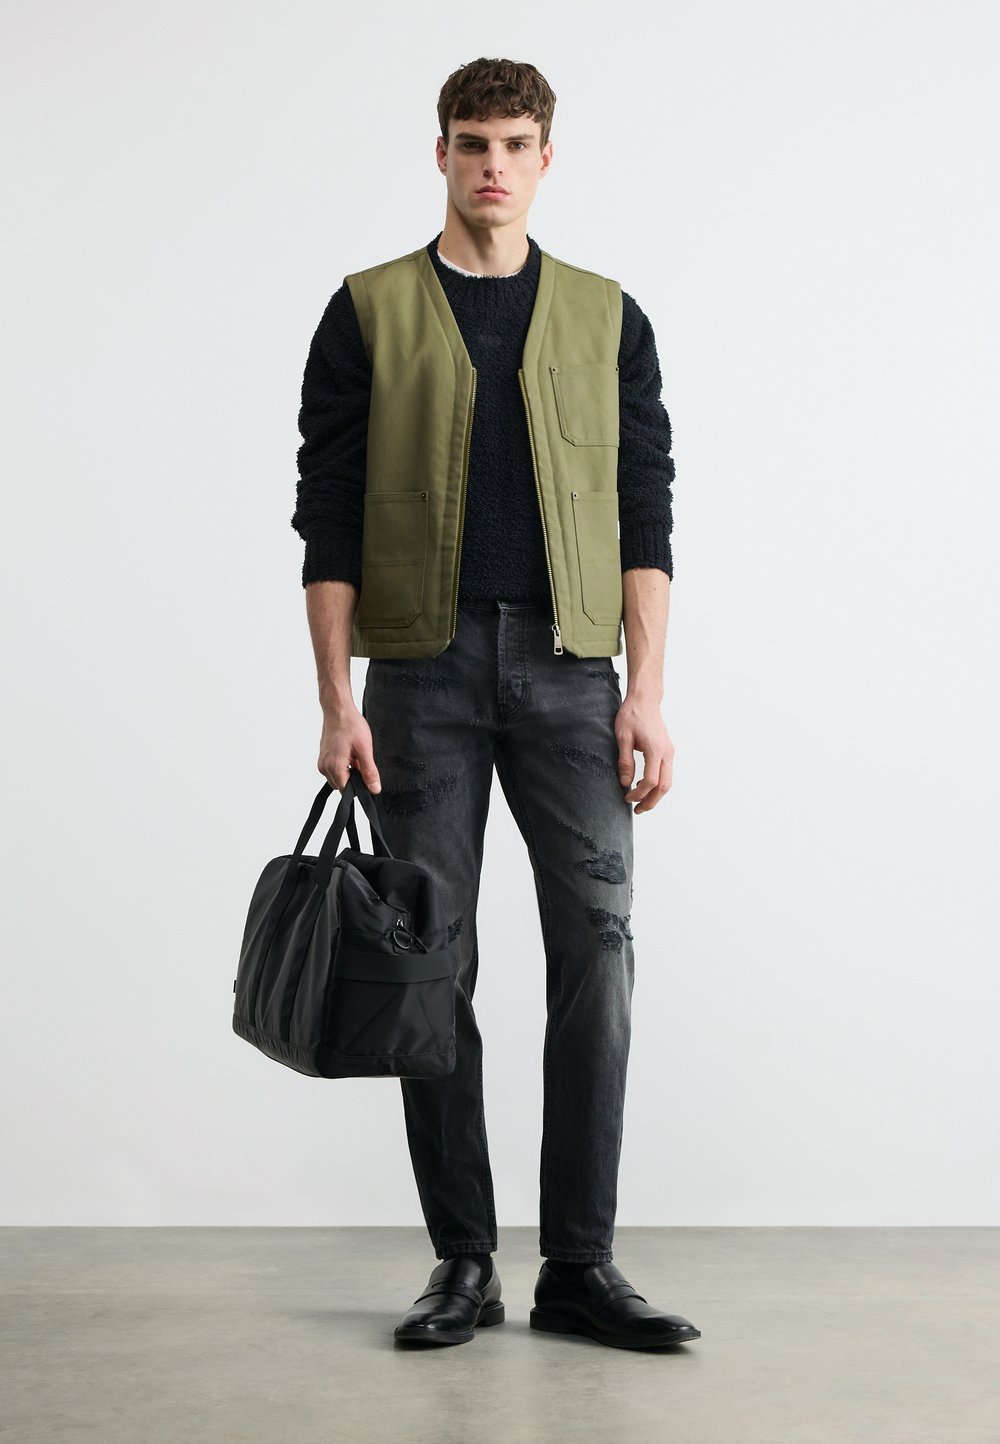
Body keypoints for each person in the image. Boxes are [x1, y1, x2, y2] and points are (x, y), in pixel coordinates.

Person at [291, 56, 701, 1352]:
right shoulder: (367, 311)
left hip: (575, 677)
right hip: (421, 675)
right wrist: (335, 698)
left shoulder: (607, 317)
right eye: (473, 142)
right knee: (433, 964)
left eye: (515, 144)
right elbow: (327, 516)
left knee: (600, 952)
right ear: (441, 154)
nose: (492, 166)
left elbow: (646, 510)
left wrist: (647, 692)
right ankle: (462, 1260)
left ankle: (578, 1265)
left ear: (545, 158)